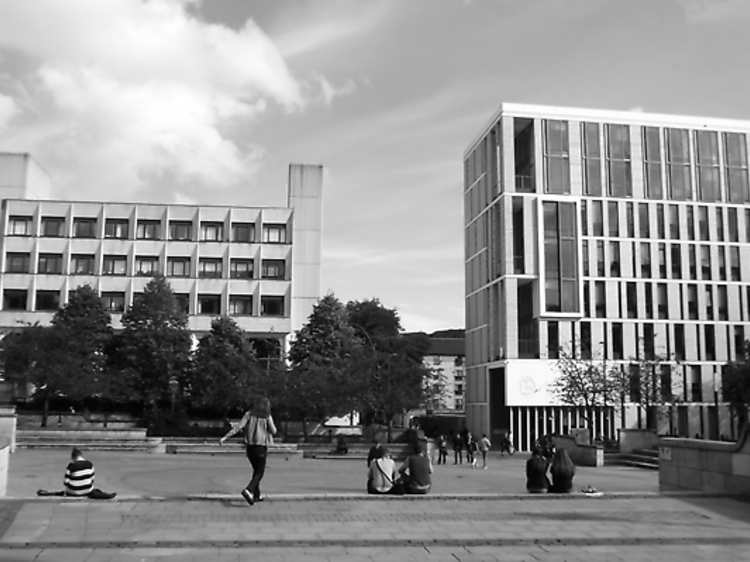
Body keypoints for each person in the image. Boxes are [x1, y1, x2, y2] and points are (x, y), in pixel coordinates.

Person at [220, 396, 277, 506]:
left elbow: (238, 427)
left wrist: (225, 438)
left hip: (250, 447)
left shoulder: (248, 414)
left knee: (256, 470)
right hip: (261, 446)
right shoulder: (267, 416)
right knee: (260, 472)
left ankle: (257, 495)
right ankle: (249, 490)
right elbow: (274, 430)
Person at [37, 447, 116, 499]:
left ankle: (44, 493)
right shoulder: (89, 464)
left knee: (60, 492)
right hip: (87, 490)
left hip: (73, 491)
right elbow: (92, 479)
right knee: (96, 490)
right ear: (81, 455)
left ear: (73, 457)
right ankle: (107, 495)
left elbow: (66, 482)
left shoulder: (71, 465)